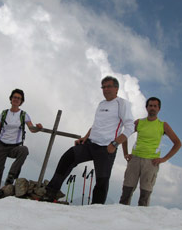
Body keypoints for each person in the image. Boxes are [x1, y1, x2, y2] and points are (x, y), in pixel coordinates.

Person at [42, 76, 135, 204]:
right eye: (103, 87)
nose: (106, 89)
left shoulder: (122, 103)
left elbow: (130, 127)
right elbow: (97, 124)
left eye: (109, 86)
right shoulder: (101, 104)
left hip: (106, 149)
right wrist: (85, 138)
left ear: (116, 89)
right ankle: (50, 194)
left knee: (102, 181)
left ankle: (96, 209)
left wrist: (115, 144)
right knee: (67, 158)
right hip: (90, 144)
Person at [119, 97, 182, 206]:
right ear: (146, 107)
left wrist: (164, 159)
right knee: (126, 192)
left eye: (155, 106)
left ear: (159, 109)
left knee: (145, 195)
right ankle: (120, 218)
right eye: (150, 105)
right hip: (135, 159)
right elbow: (125, 135)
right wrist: (125, 153)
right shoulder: (139, 122)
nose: (152, 108)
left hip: (151, 163)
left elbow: (177, 143)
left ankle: (142, 220)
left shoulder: (163, 125)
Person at [0, 89, 43, 190]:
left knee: (24, 150)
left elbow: (31, 128)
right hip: (1, 145)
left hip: (15, 147)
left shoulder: (23, 115)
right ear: (11, 99)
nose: (16, 99)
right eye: (14, 97)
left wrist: (38, 128)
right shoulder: (4, 113)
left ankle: (11, 176)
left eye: (19, 98)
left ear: (21, 101)